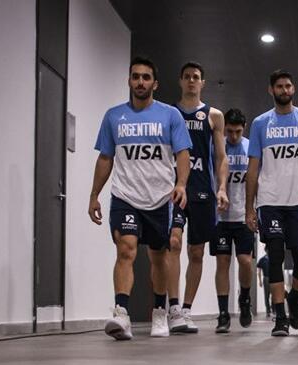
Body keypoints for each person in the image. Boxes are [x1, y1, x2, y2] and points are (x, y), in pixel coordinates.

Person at [88, 56, 192, 341]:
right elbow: (106, 157)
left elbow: (183, 154)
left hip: (160, 197)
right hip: (125, 195)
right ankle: (121, 312)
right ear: (129, 81)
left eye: (146, 77)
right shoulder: (113, 116)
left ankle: (160, 311)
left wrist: (181, 184)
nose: (140, 82)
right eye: (135, 77)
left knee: (159, 257)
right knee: (126, 249)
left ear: (155, 84)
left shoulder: (171, 115)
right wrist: (94, 195)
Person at [245, 69, 298, 336]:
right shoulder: (260, 124)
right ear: (271, 90)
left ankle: (295, 295)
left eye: (288, 86)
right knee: (276, 256)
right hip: (270, 201)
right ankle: (280, 316)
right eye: (279, 86)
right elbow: (253, 167)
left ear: (293, 89)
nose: (284, 90)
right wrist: (249, 208)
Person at [167, 62, 229, 334]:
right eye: (187, 77)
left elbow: (221, 156)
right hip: (175, 187)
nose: (192, 81)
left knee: (197, 251)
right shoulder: (169, 114)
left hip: (203, 188)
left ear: (203, 83)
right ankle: (172, 308)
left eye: (196, 77)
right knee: (173, 242)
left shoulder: (214, 115)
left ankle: (188, 310)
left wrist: (222, 187)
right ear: (180, 81)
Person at [214, 108, 255, 332]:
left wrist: (255, 210)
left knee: (245, 261)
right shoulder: (217, 148)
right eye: (229, 131)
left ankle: (245, 297)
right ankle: (223, 314)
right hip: (221, 216)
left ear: (244, 128)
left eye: (238, 132)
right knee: (222, 263)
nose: (234, 137)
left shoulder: (250, 148)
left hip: (243, 215)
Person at [256, 253, 272, 317]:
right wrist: (260, 280)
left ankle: (274, 309)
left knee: (274, 295)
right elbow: (259, 271)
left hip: (274, 277)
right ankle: (268, 310)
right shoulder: (262, 259)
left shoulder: (274, 257)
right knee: (267, 295)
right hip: (266, 278)